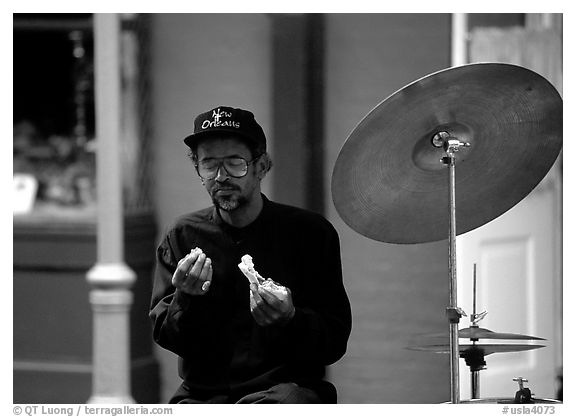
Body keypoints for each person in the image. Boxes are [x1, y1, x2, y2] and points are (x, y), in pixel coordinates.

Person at [149, 106, 352, 404]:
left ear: (262, 167)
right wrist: (185, 298)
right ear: (198, 171)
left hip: (284, 391)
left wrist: (291, 318)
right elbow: (168, 338)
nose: (221, 177)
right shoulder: (182, 235)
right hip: (204, 394)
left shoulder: (310, 233)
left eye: (235, 163)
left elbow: (333, 343)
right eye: (209, 165)